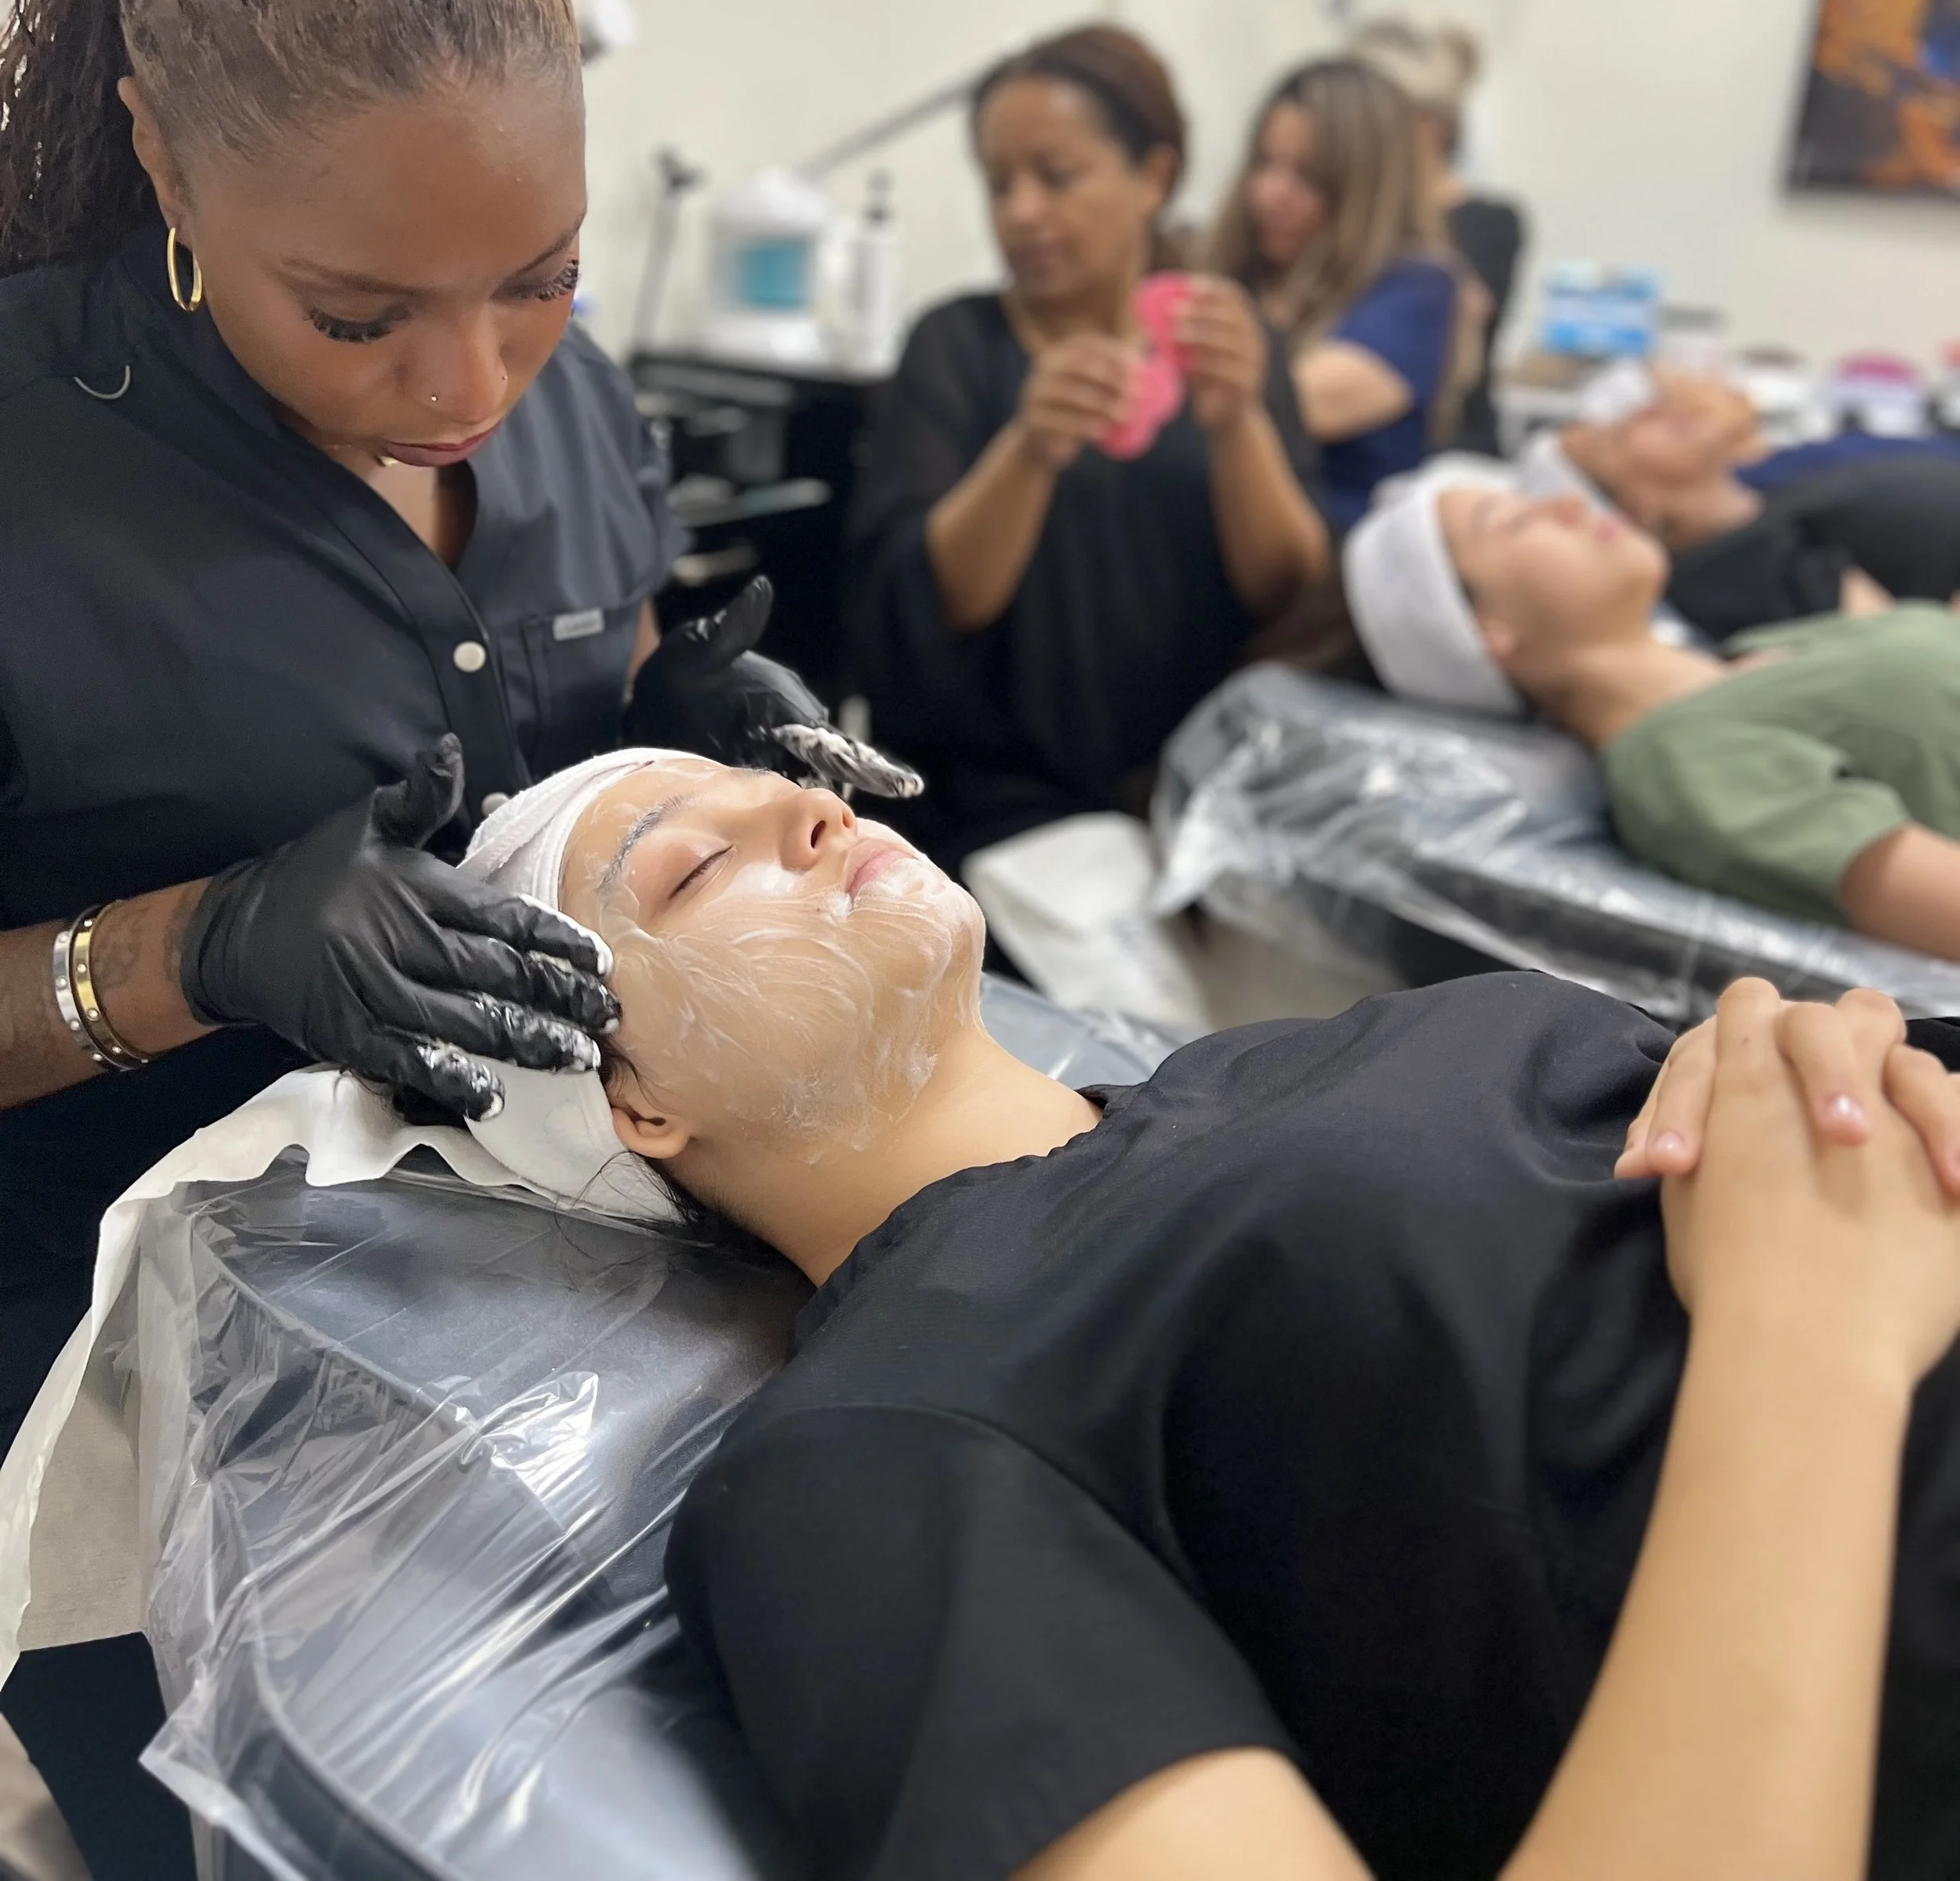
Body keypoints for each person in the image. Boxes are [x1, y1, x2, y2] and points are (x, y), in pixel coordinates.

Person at [0, 0, 894, 1878]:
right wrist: (189, 948)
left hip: (551, 1312)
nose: (471, 376)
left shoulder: (559, 400)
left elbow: (550, 712)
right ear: (160, 148)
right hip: (124, 1402)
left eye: (541, 280)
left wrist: (677, 731)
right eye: (360, 313)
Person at [458, 748, 1960, 1881]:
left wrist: (1827, 1075)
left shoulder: (1295, 1056)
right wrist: (1806, 1331)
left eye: (787, 785)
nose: (811, 809)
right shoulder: (867, 1449)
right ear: (632, 1099)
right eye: (689, 871)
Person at [845, 25, 1327, 876]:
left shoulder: (1223, 339)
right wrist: (1029, 447)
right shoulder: (958, 345)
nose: (1021, 211)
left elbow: (1288, 593)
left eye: (1055, 176)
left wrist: (1238, 423)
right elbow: (924, 603)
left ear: (1153, 176)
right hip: (999, 821)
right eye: (999, 184)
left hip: (1199, 809)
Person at [1345, 467, 1960, 960]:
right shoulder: (1686, 761)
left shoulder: (1755, 648)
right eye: (1514, 521)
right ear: (1486, 632)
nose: (1568, 503)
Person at [1207, 56, 1469, 525]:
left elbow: (1293, 405)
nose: (1270, 193)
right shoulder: (1242, 276)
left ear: (1365, 190)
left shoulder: (1418, 289)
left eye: (1308, 178)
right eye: (1264, 164)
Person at [1519, 366, 1960, 641]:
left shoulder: (1759, 513)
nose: (1650, 410)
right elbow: (1909, 654)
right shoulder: (1735, 568)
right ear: (1635, 509)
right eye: (1617, 436)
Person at [1351, 17, 1523, 456]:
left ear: (1432, 124)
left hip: (1451, 450)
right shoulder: (1353, 217)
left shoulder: (1488, 224)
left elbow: (1463, 317)